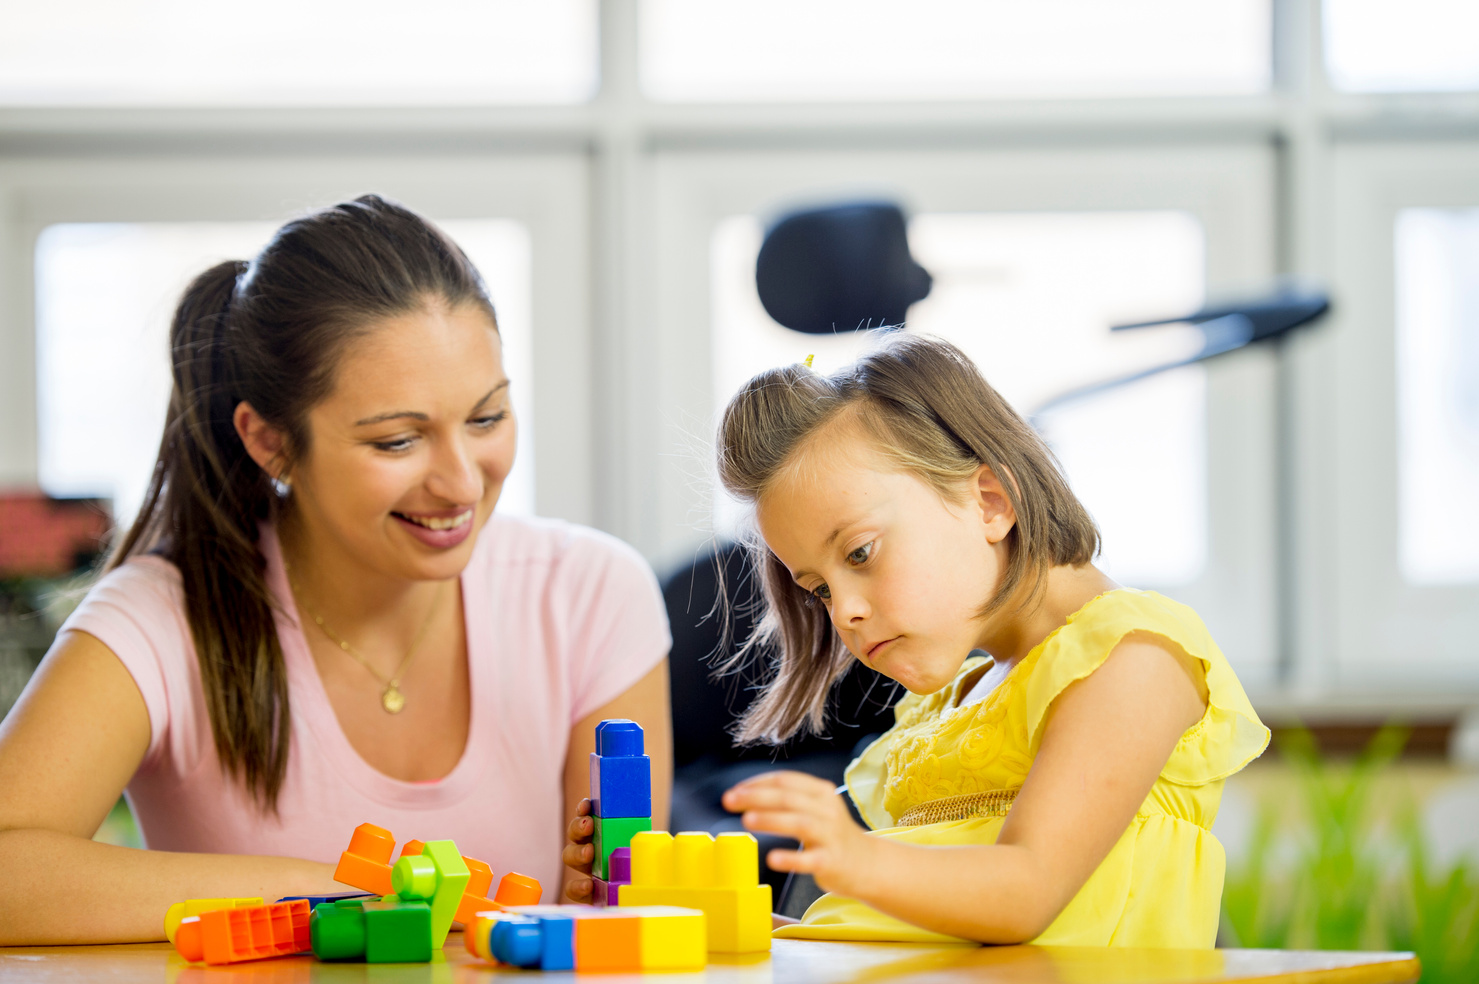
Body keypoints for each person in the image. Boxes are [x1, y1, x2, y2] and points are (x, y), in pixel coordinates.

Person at [0, 195, 671, 945]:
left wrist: (600, 916)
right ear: (270, 442)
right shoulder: (162, 619)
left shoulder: (589, 594)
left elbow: (623, 916)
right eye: (396, 441)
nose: (461, 483)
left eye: (485, 418)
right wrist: (332, 894)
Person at [713, 333, 1268, 946]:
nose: (843, 612)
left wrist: (858, 858)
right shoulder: (946, 707)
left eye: (860, 553)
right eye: (818, 589)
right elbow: (906, 937)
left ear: (989, 502)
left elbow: (1024, 893)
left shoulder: (1131, 657)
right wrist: (733, 929)